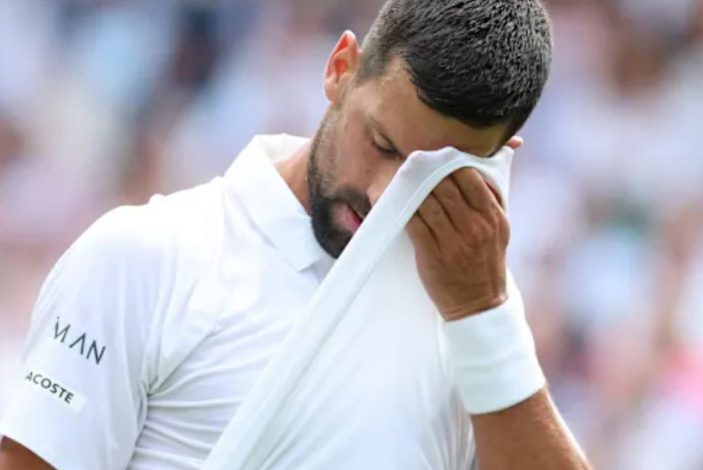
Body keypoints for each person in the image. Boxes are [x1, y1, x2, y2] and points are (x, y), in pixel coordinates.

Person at [0, 0, 590, 468]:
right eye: (382, 144)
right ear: (341, 69)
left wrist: (482, 315)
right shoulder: (143, 255)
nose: (384, 195)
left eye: (427, 177)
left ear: (497, 162)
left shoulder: (477, 321)